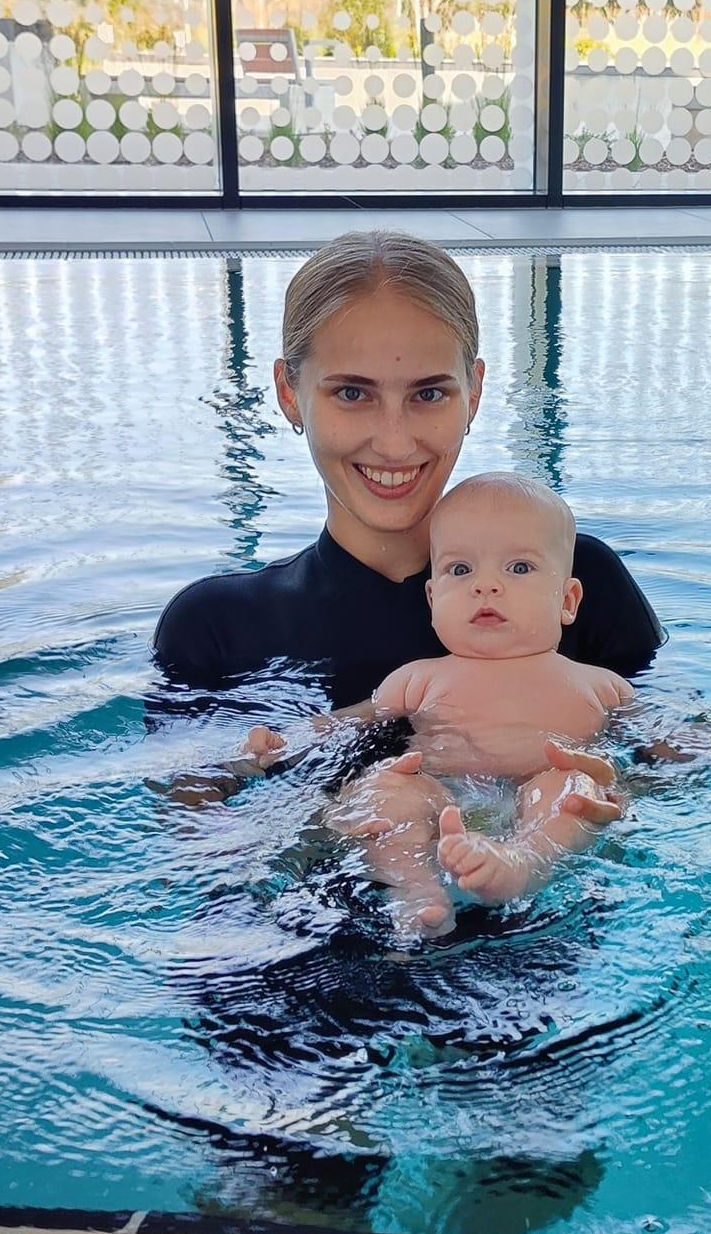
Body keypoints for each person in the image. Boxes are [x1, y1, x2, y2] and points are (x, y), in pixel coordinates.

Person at [152, 230, 666, 837]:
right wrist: (325, 829)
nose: (395, 443)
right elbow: (197, 847)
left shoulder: (577, 578)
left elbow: (682, 761)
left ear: (474, 392)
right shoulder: (215, 629)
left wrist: (606, 796)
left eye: (428, 393)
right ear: (289, 394)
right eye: (352, 393)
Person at [235, 472, 636, 937]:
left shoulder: (601, 685)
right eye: (461, 570)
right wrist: (285, 742)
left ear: (568, 600)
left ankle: (522, 863)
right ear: (432, 598)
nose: (486, 586)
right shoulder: (419, 678)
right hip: (440, 793)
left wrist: (701, 749)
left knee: (575, 787)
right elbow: (346, 723)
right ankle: (415, 889)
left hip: (541, 795)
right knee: (384, 788)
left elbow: (668, 738)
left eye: (519, 568)